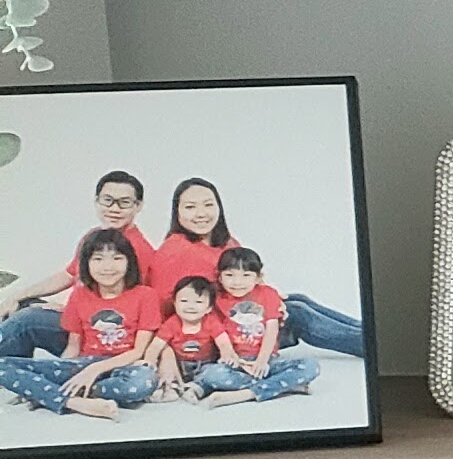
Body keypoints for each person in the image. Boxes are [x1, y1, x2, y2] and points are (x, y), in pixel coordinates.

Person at [151, 175, 362, 363]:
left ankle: (369, 329)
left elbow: (251, 281)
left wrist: (272, 300)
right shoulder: (174, 250)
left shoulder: (225, 242)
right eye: (190, 207)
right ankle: (371, 343)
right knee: (298, 314)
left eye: (208, 205)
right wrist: (166, 356)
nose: (201, 214)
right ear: (177, 212)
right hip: (223, 333)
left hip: (242, 313)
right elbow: (162, 309)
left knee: (297, 299)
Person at [0, 225, 184, 416]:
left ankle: (50, 393)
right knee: (2, 367)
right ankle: (74, 402)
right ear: (86, 264)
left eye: (117, 258)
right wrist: (68, 369)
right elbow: (73, 346)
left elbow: (138, 351)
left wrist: (94, 371)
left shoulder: (145, 295)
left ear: (130, 262)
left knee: (142, 383)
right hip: (84, 362)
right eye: (98, 259)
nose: (108, 267)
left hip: (125, 365)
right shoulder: (80, 296)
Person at [0, 167, 145, 364]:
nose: (114, 208)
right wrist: (17, 296)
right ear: (96, 201)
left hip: (102, 334)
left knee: (27, 320)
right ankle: (15, 376)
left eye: (124, 203)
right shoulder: (94, 238)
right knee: (20, 306)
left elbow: (121, 307)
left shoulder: (136, 249)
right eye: (107, 200)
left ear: (138, 206)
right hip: (80, 316)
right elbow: (68, 275)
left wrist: (67, 310)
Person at [187, 245, 314, 400]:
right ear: (219, 277)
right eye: (229, 275)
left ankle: (247, 394)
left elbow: (272, 329)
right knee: (212, 374)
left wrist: (262, 361)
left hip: (266, 359)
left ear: (259, 277)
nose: (237, 282)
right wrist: (231, 356)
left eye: (246, 275)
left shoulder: (268, 293)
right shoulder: (216, 297)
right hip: (233, 362)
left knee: (310, 366)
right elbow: (217, 331)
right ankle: (283, 385)